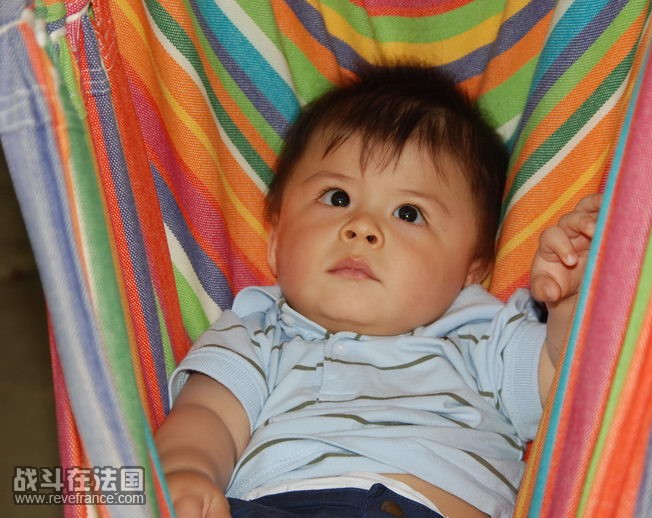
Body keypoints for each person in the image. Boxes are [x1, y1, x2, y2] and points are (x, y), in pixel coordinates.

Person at [154, 64, 601, 518]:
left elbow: (569, 380)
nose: (362, 227)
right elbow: (208, 416)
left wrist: (570, 304)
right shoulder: (256, 332)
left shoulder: (485, 336)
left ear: (472, 268)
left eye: (409, 213)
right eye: (337, 198)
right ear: (275, 240)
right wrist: (187, 470)